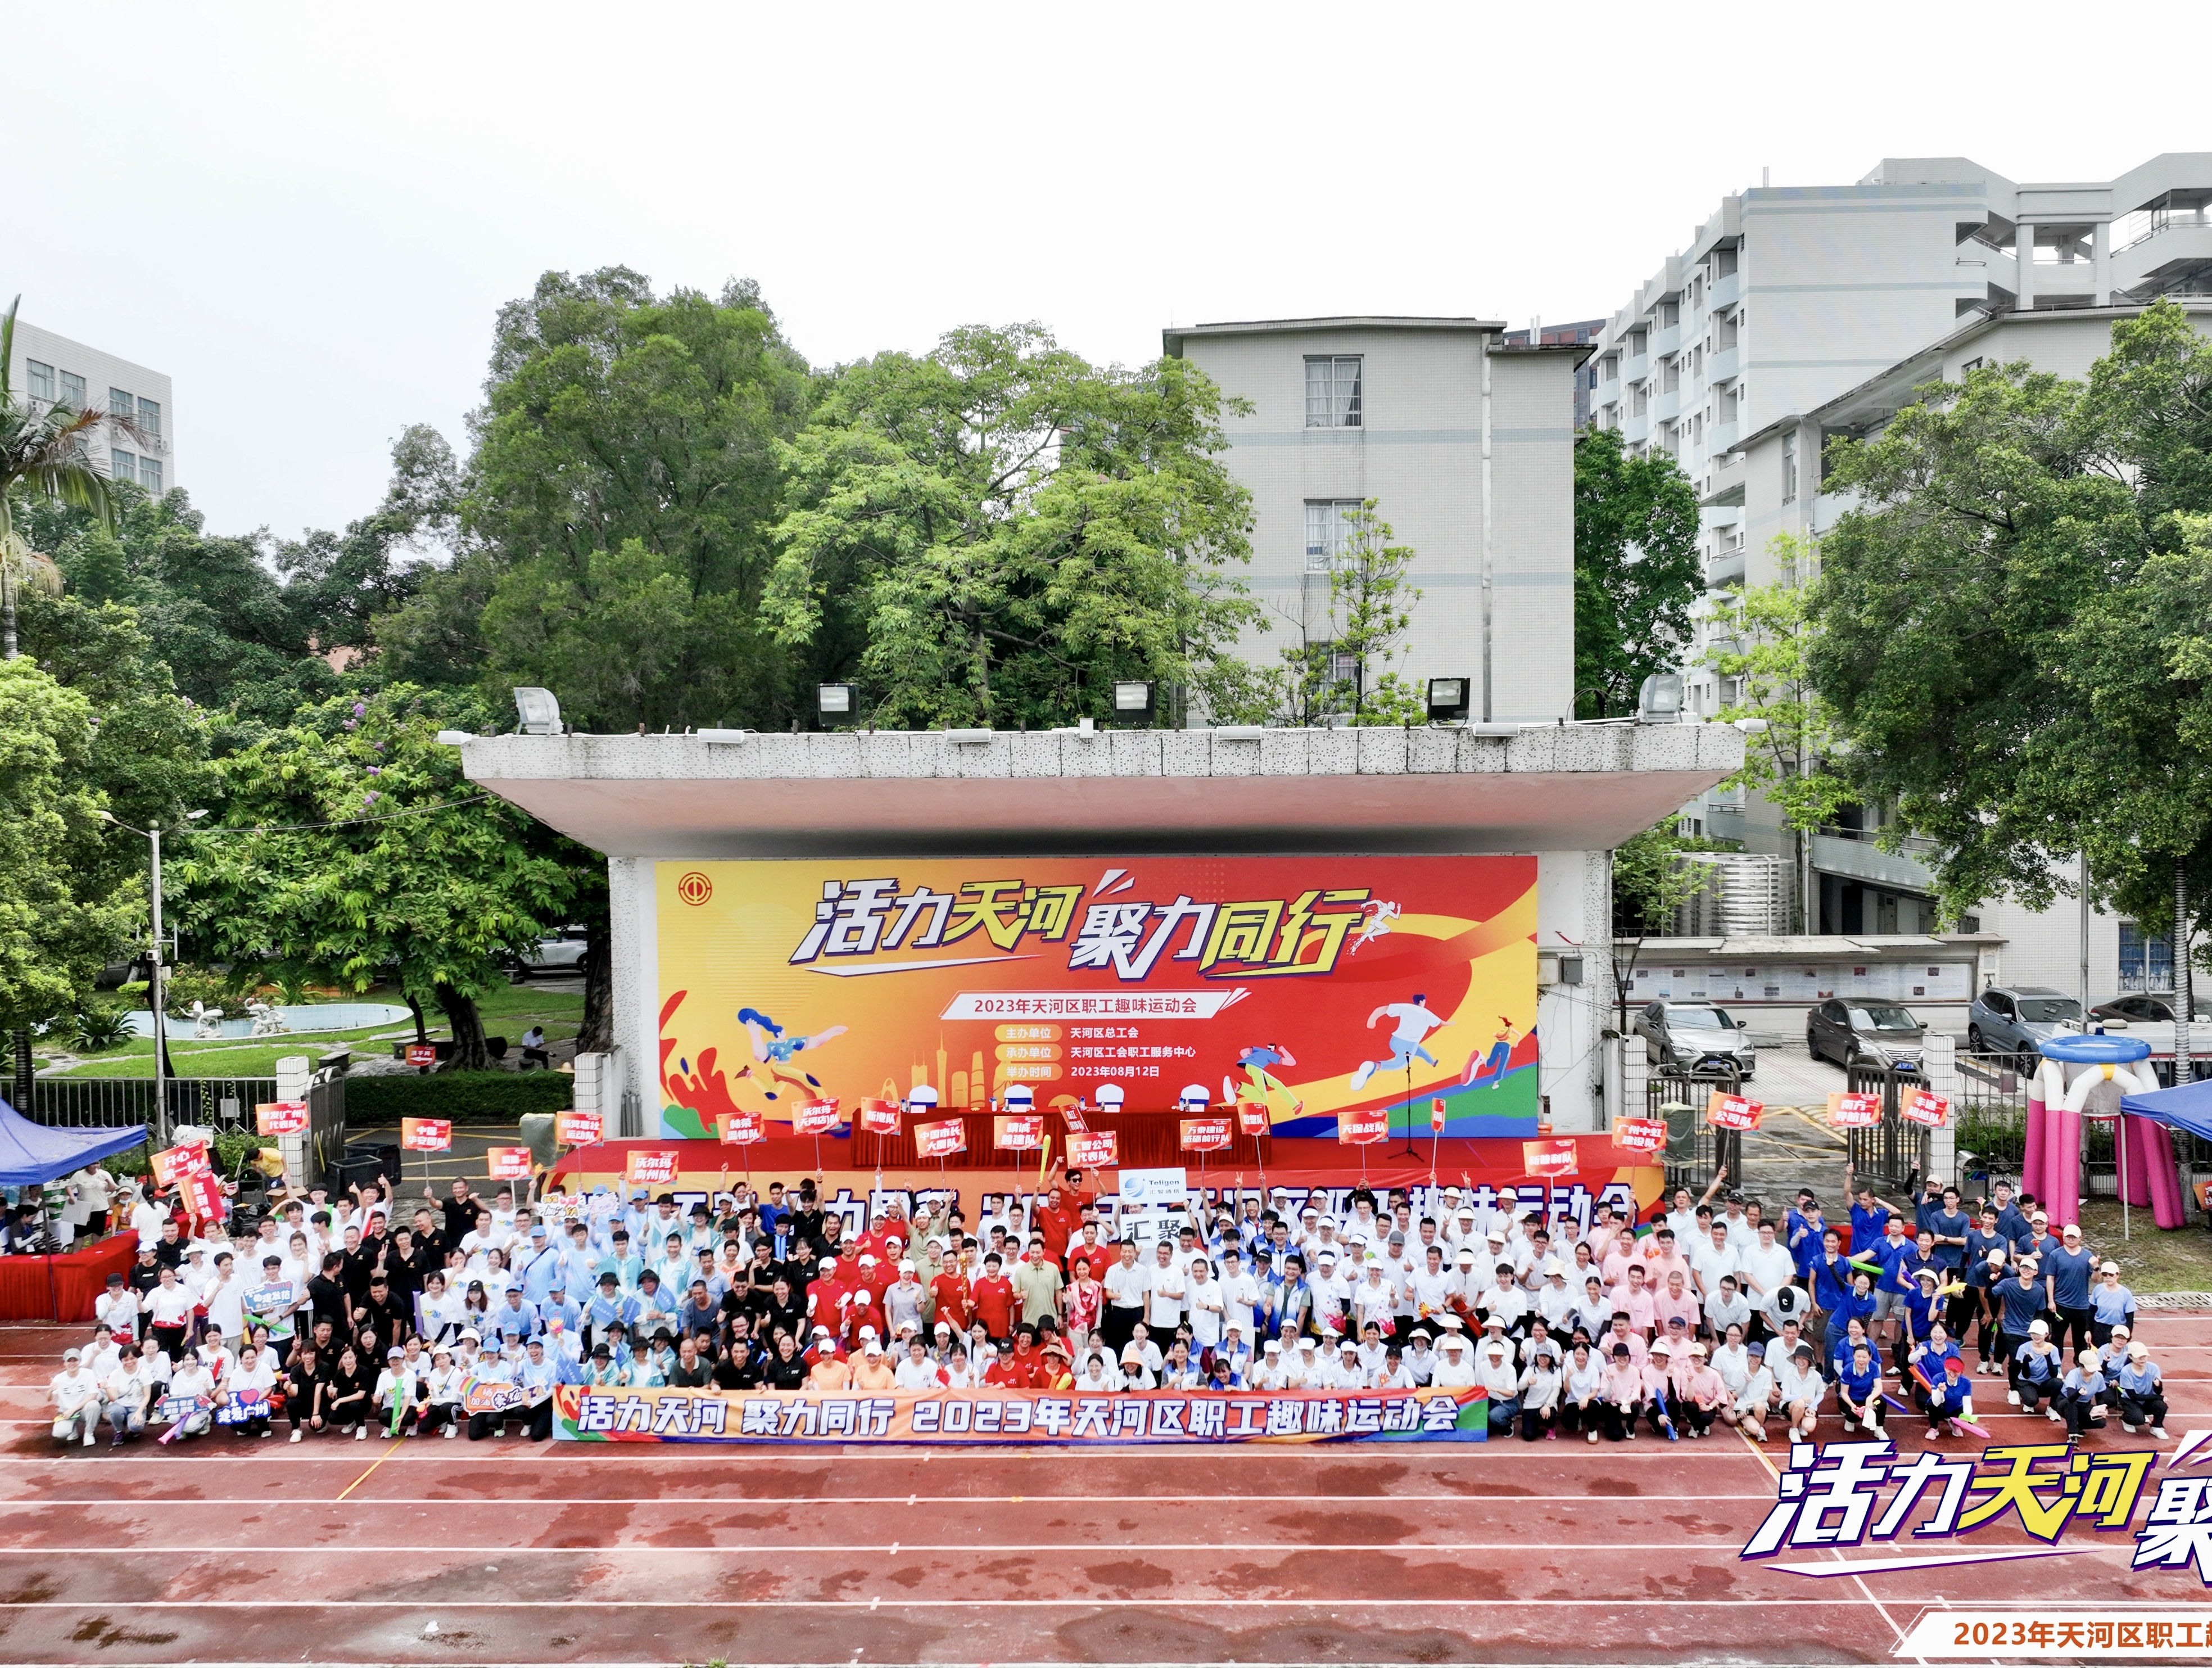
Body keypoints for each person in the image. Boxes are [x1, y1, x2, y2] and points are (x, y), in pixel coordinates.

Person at [2115, 1340, 2170, 1439]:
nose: (2142, 1359)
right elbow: (2133, 1396)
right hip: (2131, 1400)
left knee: (2161, 1406)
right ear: (2130, 1357)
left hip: (2147, 1400)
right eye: (2139, 1356)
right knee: (2138, 1419)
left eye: (2144, 1356)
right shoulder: (2126, 1371)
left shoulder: (2153, 1368)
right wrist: (2160, 1398)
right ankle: (2126, 1419)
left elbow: (2158, 1392)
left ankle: (2157, 1426)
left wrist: (2159, 1386)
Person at [51, 1346, 103, 1447]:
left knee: (94, 1405)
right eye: (69, 1361)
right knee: (59, 1433)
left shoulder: (88, 1374)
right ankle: (72, 1428)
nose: (72, 1363)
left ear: (79, 1361)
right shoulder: (59, 1378)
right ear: (65, 1363)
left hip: (83, 1411)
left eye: (75, 1360)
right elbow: (49, 1398)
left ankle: (89, 1433)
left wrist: (73, 1410)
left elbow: (93, 1395)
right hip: (67, 1413)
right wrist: (50, 1390)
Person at [2056, 1346, 2108, 1441]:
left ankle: (2077, 1425)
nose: (2093, 1371)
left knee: (2101, 1422)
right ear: (2082, 1366)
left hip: (2084, 1405)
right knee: (2072, 1405)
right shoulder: (2073, 1375)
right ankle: (2072, 1433)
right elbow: (2071, 1398)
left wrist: (2101, 1410)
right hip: (2066, 1403)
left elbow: (2100, 1397)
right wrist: (2079, 1392)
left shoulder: (2099, 1376)